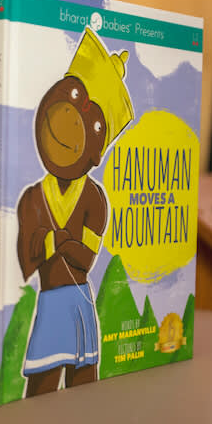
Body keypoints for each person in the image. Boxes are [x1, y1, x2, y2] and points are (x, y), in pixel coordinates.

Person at [18, 28, 134, 397]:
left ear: (97, 153)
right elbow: (28, 256)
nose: (69, 120)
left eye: (93, 124)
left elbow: (85, 259)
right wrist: (62, 242)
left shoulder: (95, 199)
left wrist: (54, 242)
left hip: (78, 302)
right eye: (71, 97)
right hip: (50, 302)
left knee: (84, 384)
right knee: (41, 385)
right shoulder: (32, 198)